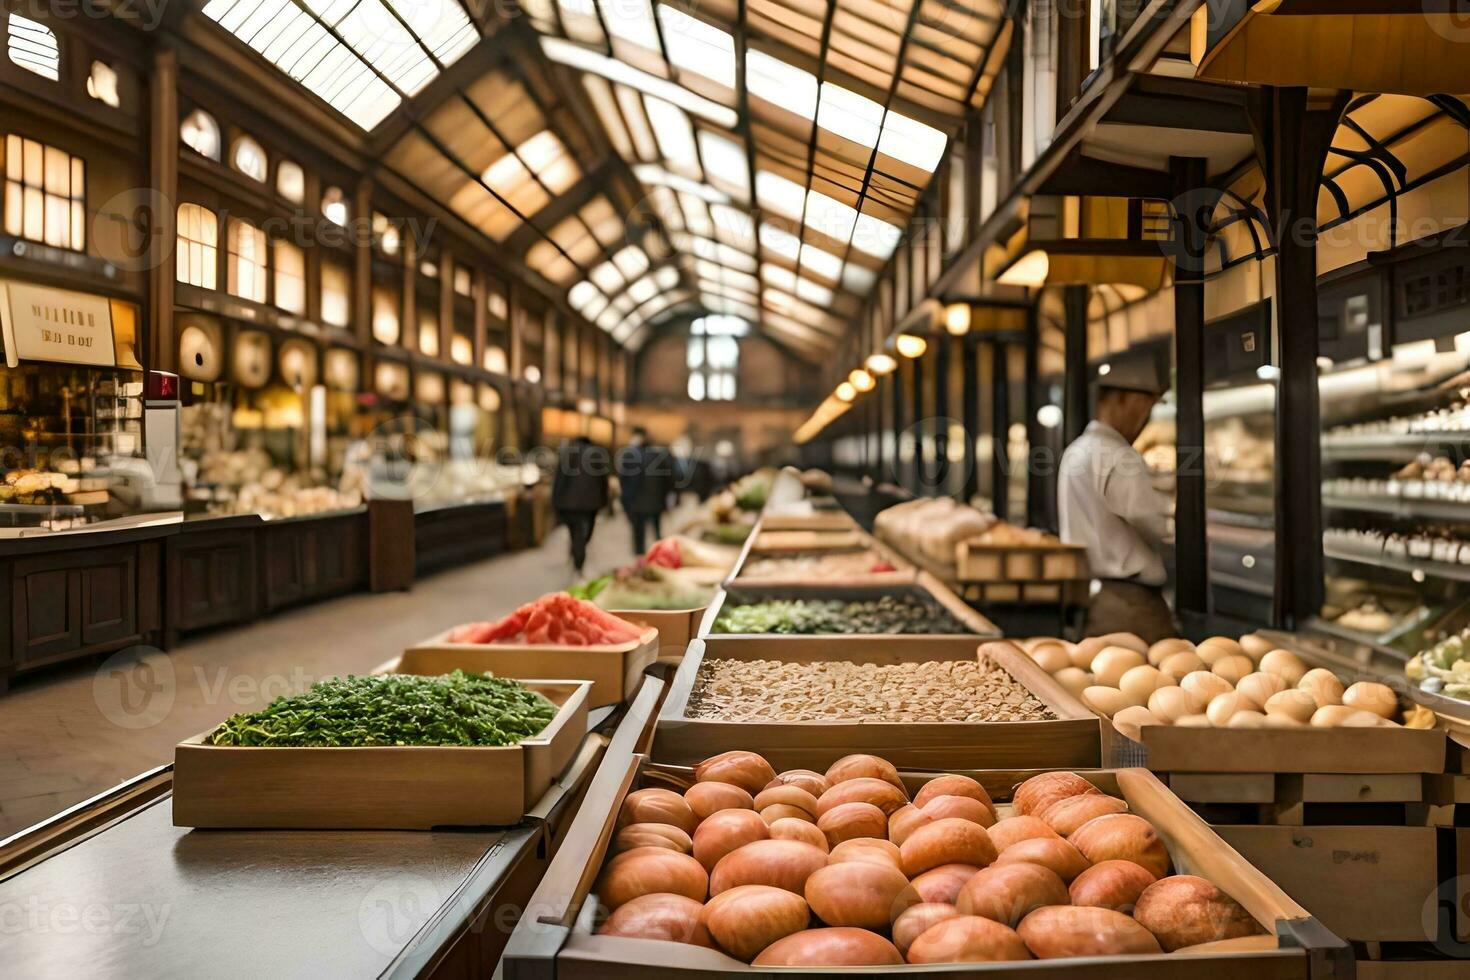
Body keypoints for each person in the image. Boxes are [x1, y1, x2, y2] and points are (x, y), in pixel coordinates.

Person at [1058, 361, 1176, 643]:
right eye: (1146, 407)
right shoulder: (1118, 455)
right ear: (1127, 400)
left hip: (1095, 596)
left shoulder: (1078, 450)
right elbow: (1158, 525)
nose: (1146, 419)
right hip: (1130, 606)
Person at [552, 435, 609, 573]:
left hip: (568, 503)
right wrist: (604, 500)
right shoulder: (596, 454)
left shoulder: (567, 452)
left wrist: (555, 500)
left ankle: (576, 553)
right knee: (584, 532)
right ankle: (578, 559)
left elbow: (559, 479)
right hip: (590, 503)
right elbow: (603, 480)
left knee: (574, 531)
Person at [617, 427, 673, 555]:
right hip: (656, 501)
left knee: (638, 533)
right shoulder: (660, 457)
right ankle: (660, 553)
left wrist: (626, 500)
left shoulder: (631, 456)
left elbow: (624, 480)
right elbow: (668, 480)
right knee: (656, 530)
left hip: (637, 502)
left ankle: (640, 556)